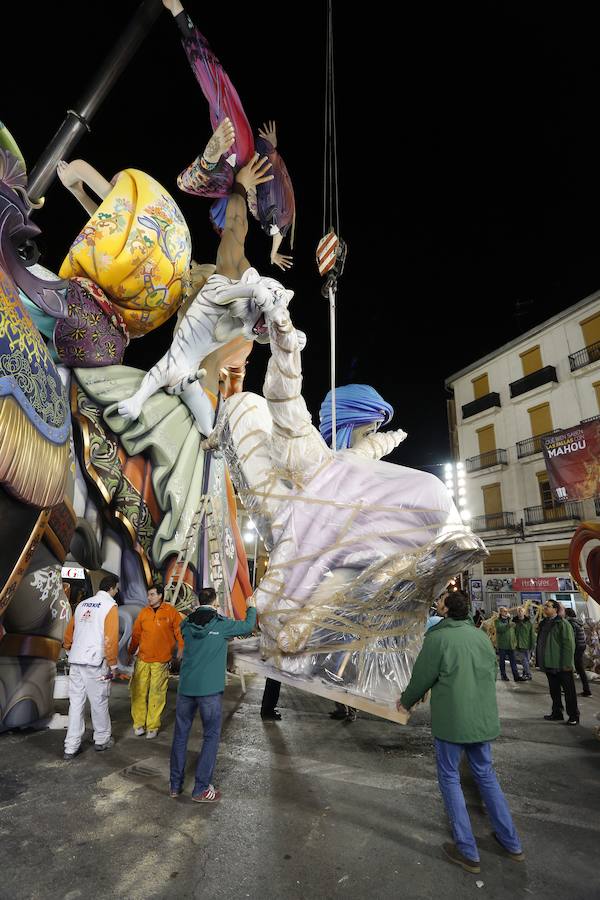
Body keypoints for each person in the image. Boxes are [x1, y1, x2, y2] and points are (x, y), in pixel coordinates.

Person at [396, 590, 523, 874]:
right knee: (486, 776)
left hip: (453, 721)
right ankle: (511, 842)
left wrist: (405, 702)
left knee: (450, 778)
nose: (437, 603)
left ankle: (467, 851)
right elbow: (490, 673)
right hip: (481, 719)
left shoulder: (438, 639)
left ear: (445, 609)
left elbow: (421, 678)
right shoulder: (480, 637)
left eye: (440, 600)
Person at [169, 587, 257, 801]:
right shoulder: (222, 624)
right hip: (209, 690)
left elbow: (186, 632)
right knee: (210, 736)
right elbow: (247, 626)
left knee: (180, 735)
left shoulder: (186, 624)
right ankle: (200, 789)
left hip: (186, 688)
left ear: (199, 600)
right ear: (216, 602)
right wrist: (251, 607)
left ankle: (175, 785)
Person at [62, 574, 120, 760]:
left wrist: (68, 649)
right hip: (95, 663)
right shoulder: (110, 606)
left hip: (76, 661)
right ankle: (101, 739)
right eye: (116, 588)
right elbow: (110, 639)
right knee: (99, 702)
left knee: (76, 704)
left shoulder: (82, 605)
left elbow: (69, 633)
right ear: (112, 588)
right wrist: (113, 664)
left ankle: (70, 747)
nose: (117, 592)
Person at [127, 583, 184, 739]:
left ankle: (152, 726)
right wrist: (131, 651)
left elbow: (179, 632)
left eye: (152, 594)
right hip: (143, 659)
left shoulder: (171, 612)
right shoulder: (144, 613)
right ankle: (139, 724)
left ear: (160, 595)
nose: (149, 597)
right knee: (138, 691)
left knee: (156, 693)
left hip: (161, 660)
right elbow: (136, 635)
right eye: (148, 594)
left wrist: (181, 648)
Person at [536, 599, 579, 725]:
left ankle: (573, 716)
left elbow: (569, 645)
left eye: (548, 606)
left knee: (569, 692)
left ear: (555, 609)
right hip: (549, 663)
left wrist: (567, 664)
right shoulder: (544, 623)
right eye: (544, 606)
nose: (545, 608)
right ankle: (557, 713)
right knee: (554, 691)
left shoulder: (563, 624)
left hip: (562, 665)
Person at [564, 608, 592, 697]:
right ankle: (586, 690)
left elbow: (571, 637)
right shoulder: (578, 622)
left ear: (567, 614)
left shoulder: (570, 623)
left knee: (570, 668)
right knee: (579, 669)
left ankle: (569, 690)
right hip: (581, 646)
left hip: (576, 647)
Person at [495, 607, 523, 682]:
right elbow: (500, 629)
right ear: (500, 612)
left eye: (506, 611)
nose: (506, 613)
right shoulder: (497, 621)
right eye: (504, 611)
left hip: (511, 645)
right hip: (502, 645)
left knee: (513, 661)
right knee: (502, 661)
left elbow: (514, 631)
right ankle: (503, 675)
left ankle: (516, 676)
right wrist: (508, 625)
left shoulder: (509, 620)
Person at [513, 607, 534, 680]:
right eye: (518, 611)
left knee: (526, 661)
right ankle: (528, 674)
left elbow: (532, 634)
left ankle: (525, 674)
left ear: (524, 612)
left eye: (521, 611)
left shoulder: (528, 623)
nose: (520, 612)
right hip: (518, 645)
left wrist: (532, 645)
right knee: (524, 660)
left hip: (527, 644)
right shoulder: (514, 622)